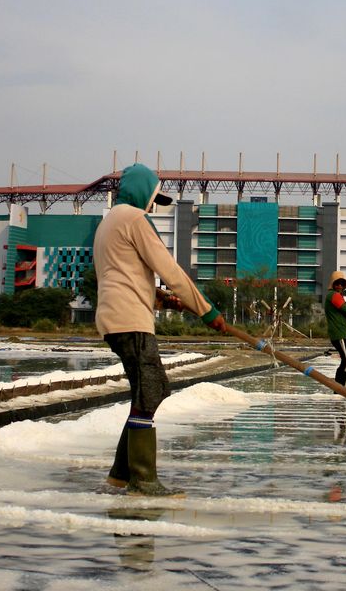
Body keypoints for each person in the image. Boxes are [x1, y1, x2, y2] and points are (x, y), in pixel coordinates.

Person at [94, 163, 226, 496]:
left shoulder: (108, 222)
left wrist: (163, 300)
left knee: (147, 391)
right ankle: (143, 480)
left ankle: (120, 473)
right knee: (151, 390)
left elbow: (123, 276)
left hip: (113, 317)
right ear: (142, 192)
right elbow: (170, 270)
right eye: (153, 199)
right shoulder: (135, 219)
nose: (153, 207)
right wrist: (207, 311)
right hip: (131, 321)